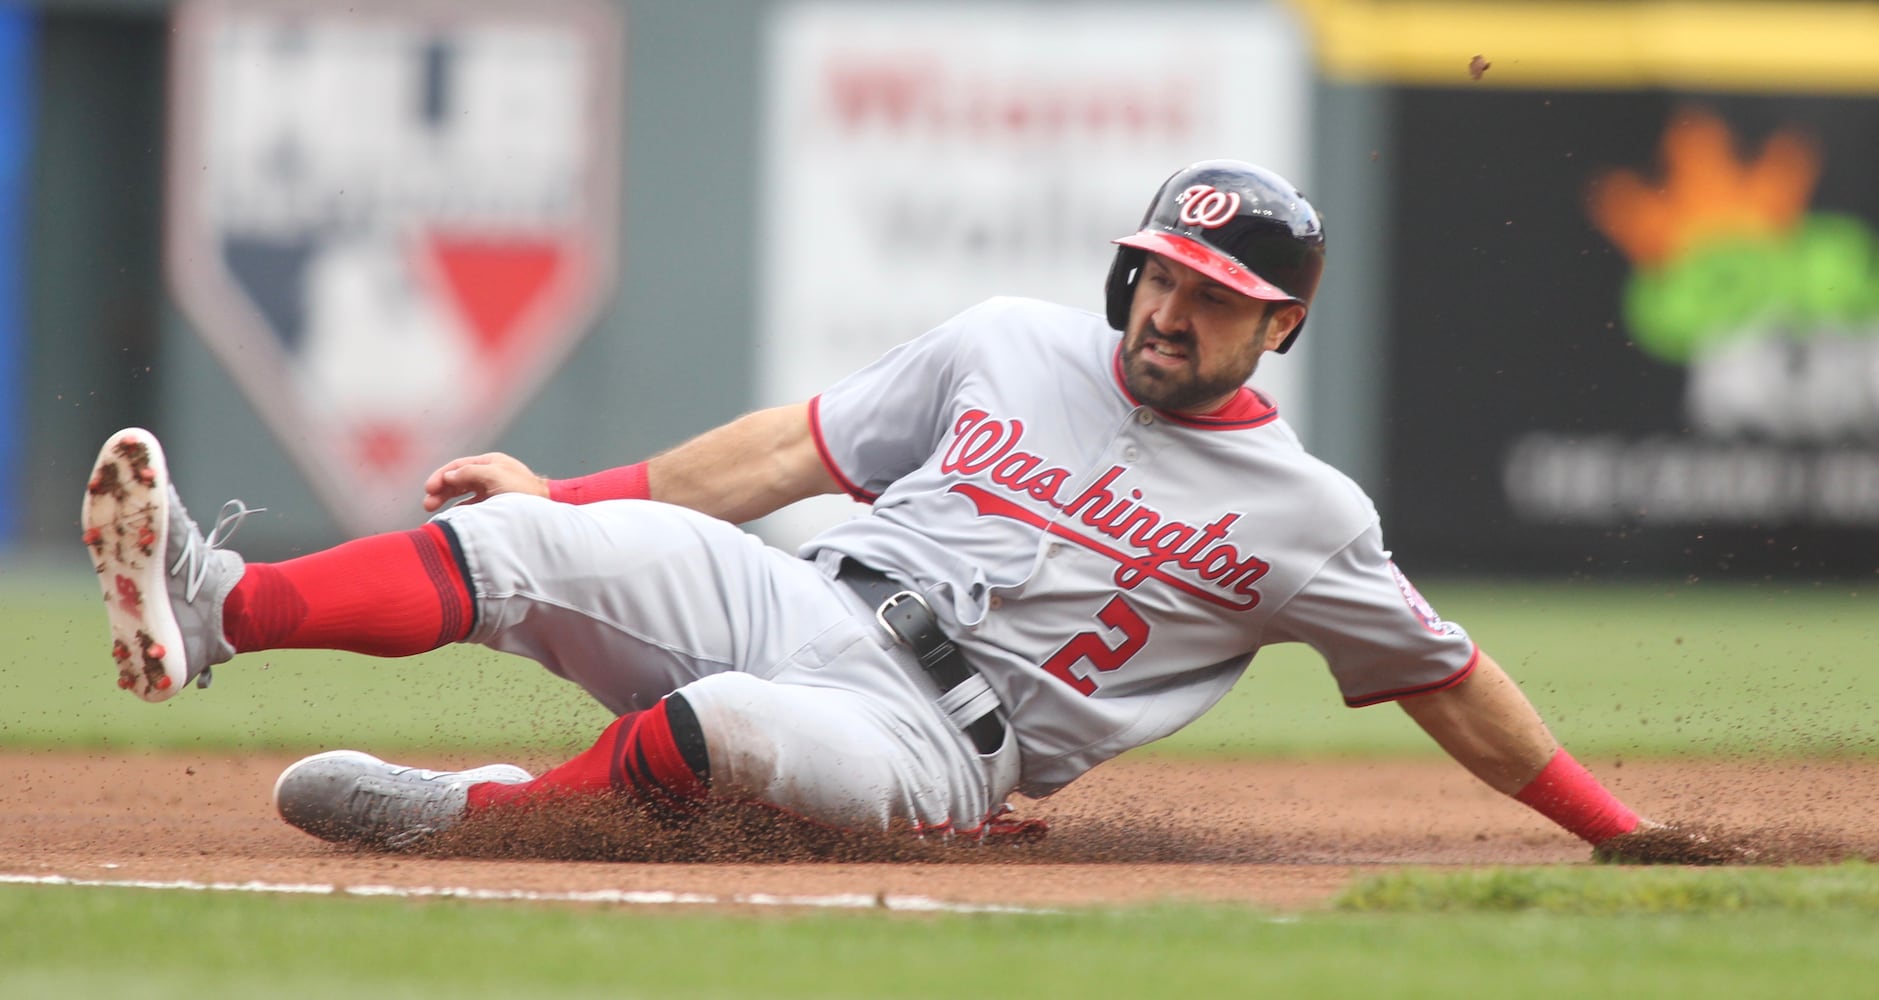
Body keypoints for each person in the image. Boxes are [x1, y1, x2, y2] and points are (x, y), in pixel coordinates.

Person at [82, 160, 1648, 853]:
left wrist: (1618, 829)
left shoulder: (1305, 515)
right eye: (1162, 271)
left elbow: (1449, 679)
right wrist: (566, 489)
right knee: (518, 544)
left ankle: (472, 821)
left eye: (1216, 294)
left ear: (1279, 326)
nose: (1170, 309)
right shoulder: (1013, 343)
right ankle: (219, 606)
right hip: (804, 591)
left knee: (730, 740)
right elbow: (778, 458)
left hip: (935, 746)